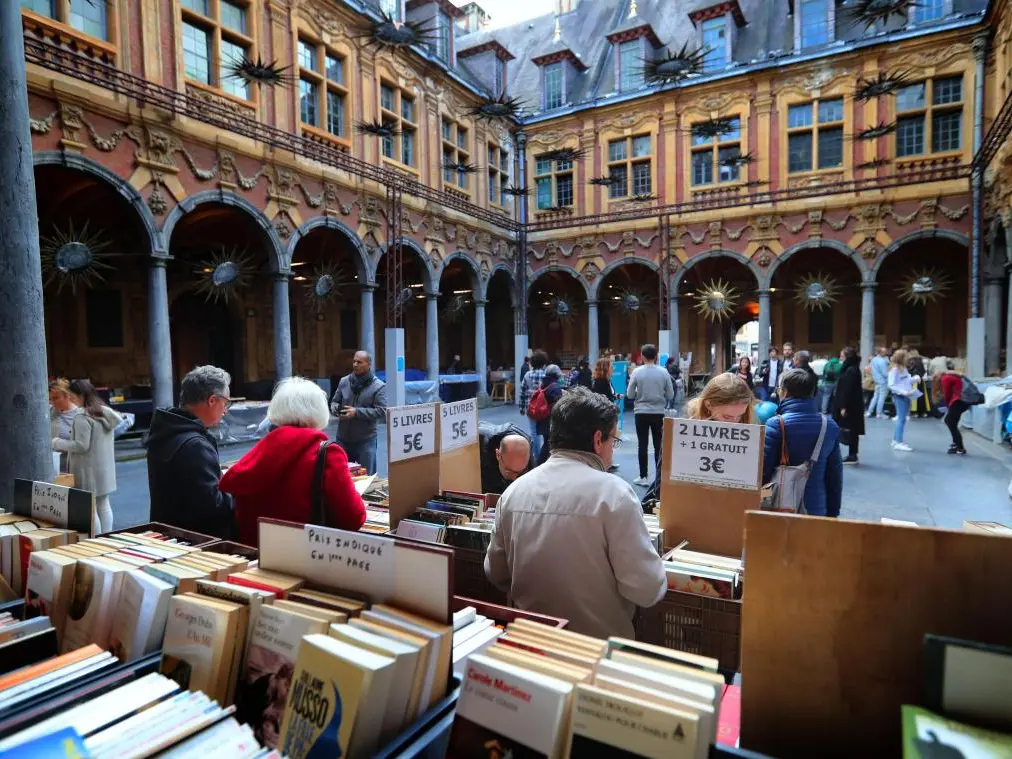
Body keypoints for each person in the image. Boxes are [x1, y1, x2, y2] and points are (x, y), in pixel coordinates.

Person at [484, 386, 666, 638]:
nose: (613, 449)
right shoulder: (614, 494)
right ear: (597, 439)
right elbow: (646, 589)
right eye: (613, 440)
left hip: (528, 644)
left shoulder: (514, 492)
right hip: (596, 650)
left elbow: (496, 573)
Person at [220, 377, 365, 546]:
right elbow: (353, 518)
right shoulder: (328, 454)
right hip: (304, 556)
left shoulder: (260, 450)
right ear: (318, 411)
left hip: (255, 555)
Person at [147, 365, 235, 539]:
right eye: (225, 403)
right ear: (212, 400)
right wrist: (241, 494)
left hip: (168, 532)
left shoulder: (165, 428)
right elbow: (212, 505)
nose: (225, 410)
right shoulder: (195, 445)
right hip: (194, 541)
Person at [763, 369, 843, 518]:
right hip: (817, 510)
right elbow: (835, 476)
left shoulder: (776, 424)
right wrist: (833, 513)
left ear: (784, 392)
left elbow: (763, 472)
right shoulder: (829, 425)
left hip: (780, 508)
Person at [51, 380, 122, 534]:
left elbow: (81, 446)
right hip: (105, 469)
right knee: (103, 504)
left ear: (81, 396)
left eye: (73, 396)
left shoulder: (82, 417)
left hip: (87, 470)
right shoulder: (103, 412)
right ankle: (107, 537)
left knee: (91, 509)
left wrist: (57, 443)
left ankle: (96, 540)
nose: (72, 399)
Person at [331, 350, 387, 475]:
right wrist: (335, 408)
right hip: (343, 439)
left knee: (367, 477)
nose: (355, 364)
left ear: (368, 364)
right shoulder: (344, 381)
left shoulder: (379, 386)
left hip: (365, 441)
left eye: (359, 362)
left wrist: (357, 412)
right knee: (342, 476)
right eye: (354, 361)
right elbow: (334, 401)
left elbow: (382, 411)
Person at [626, 344, 674, 486]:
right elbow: (670, 394)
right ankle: (660, 478)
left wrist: (639, 394)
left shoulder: (636, 372)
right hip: (658, 412)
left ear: (642, 356)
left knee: (642, 444)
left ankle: (643, 476)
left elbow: (630, 394)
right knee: (659, 444)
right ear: (656, 356)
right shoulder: (664, 372)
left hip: (641, 412)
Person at [478, 421, 534, 494]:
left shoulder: (525, 446)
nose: (515, 479)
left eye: (522, 472)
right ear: (498, 455)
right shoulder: (480, 447)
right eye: (510, 472)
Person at [832, 347, 865, 465]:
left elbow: (847, 390)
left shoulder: (850, 370)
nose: (840, 358)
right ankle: (852, 454)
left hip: (850, 406)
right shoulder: (852, 368)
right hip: (852, 405)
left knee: (851, 430)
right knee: (852, 430)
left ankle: (852, 454)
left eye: (842, 356)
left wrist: (843, 406)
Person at [687, 373, 758, 424]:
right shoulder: (688, 425)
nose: (735, 422)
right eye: (727, 417)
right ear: (709, 405)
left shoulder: (749, 421)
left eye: (740, 415)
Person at [519, 349, 549, 460]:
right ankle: (545, 455)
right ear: (544, 362)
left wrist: (522, 408)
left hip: (531, 408)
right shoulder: (546, 374)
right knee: (546, 432)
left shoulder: (527, 375)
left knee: (534, 433)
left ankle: (536, 457)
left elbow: (522, 392)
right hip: (544, 408)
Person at [49, 378, 82, 474]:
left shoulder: (79, 414)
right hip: (53, 466)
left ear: (67, 396)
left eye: (55, 398)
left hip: (73, 465)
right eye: (50, 399)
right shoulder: (49, 411)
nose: (52, 402)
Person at [936, 361, 969, 455]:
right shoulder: (953, 376)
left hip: (957, 401)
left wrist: (946, 405)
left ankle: (960, 447)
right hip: (962, 402)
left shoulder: (945, 379)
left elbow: (947, 394)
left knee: (950, 422)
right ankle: (956, 444)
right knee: (952, 422)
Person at [535, 364, 566, 465]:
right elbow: (559, 405)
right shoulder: (555, 387)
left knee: (547, 443)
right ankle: (539, 465)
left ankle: (543, 464)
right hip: (551, 421)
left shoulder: (544, 384)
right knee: (549, 445)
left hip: (543, 419)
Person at [887, 349, 917, 452]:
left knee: (902, 419)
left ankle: (896, 440)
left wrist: (915, 379)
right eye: (906, 357)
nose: (908, 359)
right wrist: (904, 392)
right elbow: (891, 385)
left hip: (906, 395)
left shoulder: (902, 368)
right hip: (901, 396)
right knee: (901, 419)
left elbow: (905, 380)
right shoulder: (894, 370)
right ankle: (898, 442)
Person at [867, 346, 890, 418]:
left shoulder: (874, 359)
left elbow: (870, 369)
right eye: (885, 352)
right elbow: (885, 373)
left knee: (875, 397)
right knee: (881, 398)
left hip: (876, 381)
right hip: (883, 381)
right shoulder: (882, 361)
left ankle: (869, 412)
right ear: (882, 352)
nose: (886, 353)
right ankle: (879, 413)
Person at [907, 350, 931, 418]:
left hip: (914, 381)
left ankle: (915, 412)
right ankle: (923, 412)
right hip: (920, 381)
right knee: (922, 397)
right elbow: (923, 371)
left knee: (914, 398)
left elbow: (909, 371)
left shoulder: (911, 361)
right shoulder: (920, 361)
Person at [819, 351, 842, 415]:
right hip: (837, 382)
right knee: (836, 396)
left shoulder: (827, 364)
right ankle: (836, 411)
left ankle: (824, 411)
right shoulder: (840, 365)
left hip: (828, 382)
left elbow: (823, 373)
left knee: (826, 396)